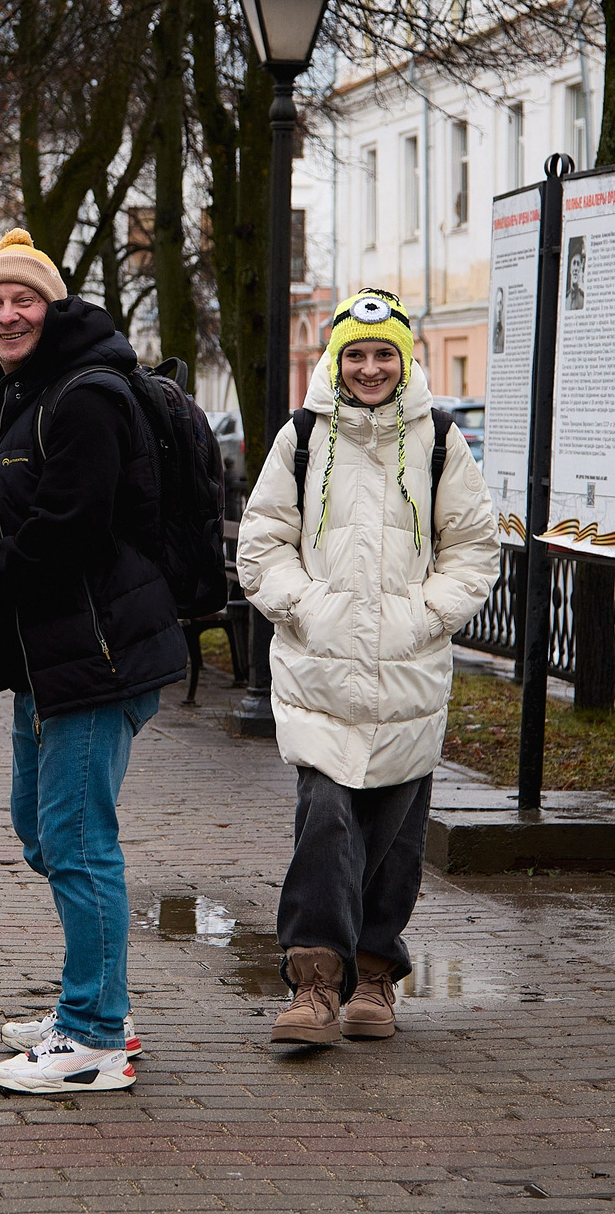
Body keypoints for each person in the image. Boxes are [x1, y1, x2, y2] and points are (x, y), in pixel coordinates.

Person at [0, 229, 185, 1094]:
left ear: (53, 307)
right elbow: (20, 516)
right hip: (47, 657)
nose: (6, 313)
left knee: (77, 840)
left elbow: (69, 538)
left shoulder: (86, 395)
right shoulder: (16, 395)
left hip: (96, 655)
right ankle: (100, 1005)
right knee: (42, 832)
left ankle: (94, 1035)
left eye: (23, 298)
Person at [238, 288, 499, 1047]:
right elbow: (262, 543)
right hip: (319, 672)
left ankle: (377, 973)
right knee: (324, 819)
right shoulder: (301, 438)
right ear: (336, 360)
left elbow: (473, 547)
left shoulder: (440, 440)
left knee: (395, 834)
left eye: (385, 354)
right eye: (356, 354)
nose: (371, 367)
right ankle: (316, 983)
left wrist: (424, 615)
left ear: (405, 361)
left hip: (408, 673)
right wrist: (308, 608)